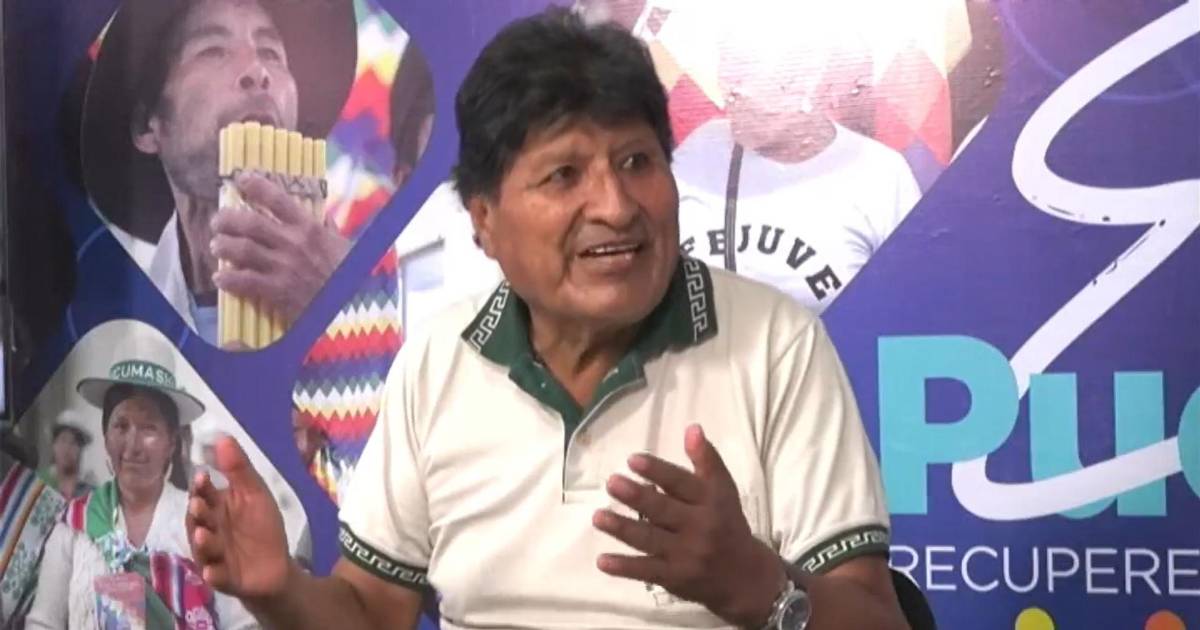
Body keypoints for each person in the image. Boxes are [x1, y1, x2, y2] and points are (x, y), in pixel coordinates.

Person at [187, 9, 908, 630]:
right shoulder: (438, 361)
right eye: (565, 175)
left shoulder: (779, 345)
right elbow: (370, 611)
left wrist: (757, 585)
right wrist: (280, 592)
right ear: (484, 222)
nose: (617, 207)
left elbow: (878, 618)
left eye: (637, 162)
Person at [81, 0, 357, 346]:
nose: (257, 70)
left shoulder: (369, 286)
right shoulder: (118, 334)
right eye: (213, 51)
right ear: (148, 127)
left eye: (271, 53)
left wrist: (344, 308)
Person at [673, 2, 921, 313]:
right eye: (727, 64)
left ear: (806, 76)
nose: (731, 90)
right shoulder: (700, 149)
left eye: (747, 68)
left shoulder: (882, 176)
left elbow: (915, 310)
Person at [26, 346, 258, 629]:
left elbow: (241, 623)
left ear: (171, 442)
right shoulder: (74, 525)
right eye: (121, 426)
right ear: (106, 435)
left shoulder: (201, 521)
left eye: (148, 428)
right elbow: (43, 623)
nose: (133, 446)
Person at [42, 411, 95, 499]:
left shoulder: (91, 493)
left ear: (81, 449)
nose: (67, 448)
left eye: (73, 442)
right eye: (63, 440)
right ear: (54, 445)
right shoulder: (41, 482)